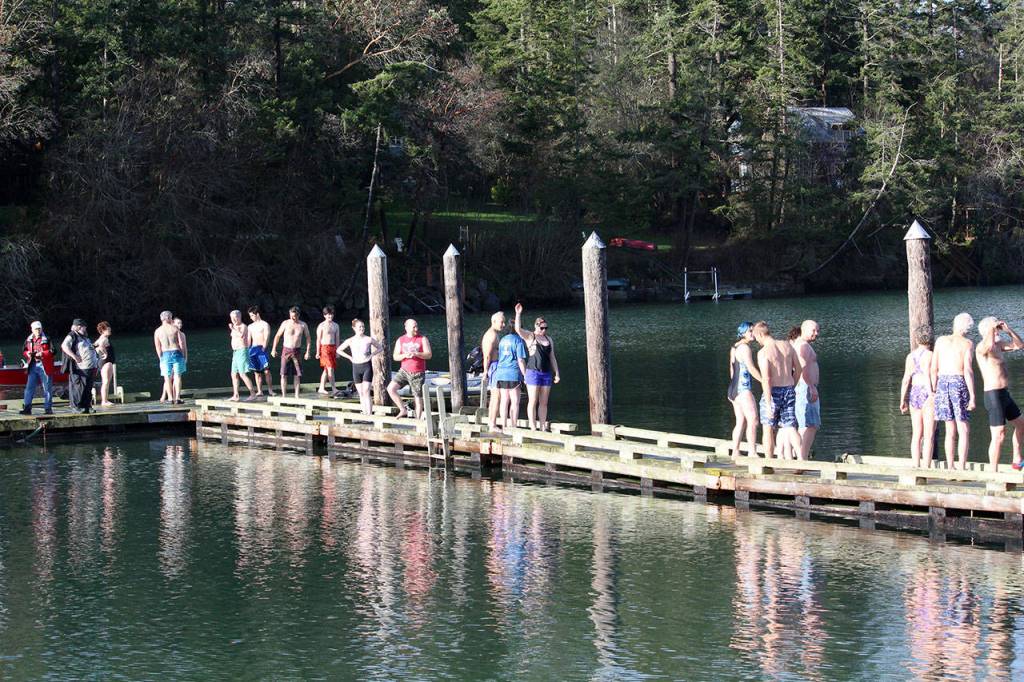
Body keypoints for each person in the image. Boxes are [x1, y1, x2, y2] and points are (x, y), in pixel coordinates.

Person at [975, 316, 1024, 471]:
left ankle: (1017, 458)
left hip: (1005, 394)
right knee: (999, 435)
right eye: (995, 329)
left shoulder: (999, 345)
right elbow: (987, 345)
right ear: (987, 331)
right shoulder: (981, 347)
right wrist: (991, 327)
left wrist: (1008, 330)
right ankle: (993, 471)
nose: (997, 331)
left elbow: (1019, 345)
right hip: (993, 395)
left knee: (1022, 424)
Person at [930, 312, 976, 469]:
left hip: (942, 383)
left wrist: (933, 389)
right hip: (958, 382)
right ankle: (961, 466)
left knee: (950, 429)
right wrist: (973, 396)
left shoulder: (941, 341)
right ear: (968, 328)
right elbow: (968, 371)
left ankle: (950, 466)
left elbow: (933, 368)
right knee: (963, 428)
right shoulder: (967, 344)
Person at [753, 321, 802, 459]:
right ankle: (801, 459)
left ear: (761, 334)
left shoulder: (763, 353)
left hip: (773, 392)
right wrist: (793, 385)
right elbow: (799, 369)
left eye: (756, 337)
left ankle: (769, 463)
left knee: (768, 428)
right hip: (789, 388)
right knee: (790, 427)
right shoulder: (787, 345)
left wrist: (768, 403)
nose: (757, 341)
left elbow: (767, 379)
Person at [513, 303, 560, 431]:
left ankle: (543, 426)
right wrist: (518, 314)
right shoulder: (530, 336)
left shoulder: (549, 339)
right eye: (541, 328)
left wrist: (557, 373)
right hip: (533, 372)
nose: (544, 330)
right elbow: (518, 329)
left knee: (543, 402)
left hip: (546, 373)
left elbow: (552, 357)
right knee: (533, 401)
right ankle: (533, 426)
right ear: (536, 326)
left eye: (546, 328)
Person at [899, 326, 936, 468]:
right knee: (928, 435)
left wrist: (903, 399)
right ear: (930, 339)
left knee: (916, 434)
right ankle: (926, 467)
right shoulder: (931, 356)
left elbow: (906, 379)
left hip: (914, 392)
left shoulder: (911, 356)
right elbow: (929, 375)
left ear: (916, 339)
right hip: (927, 393)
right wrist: (932, 393)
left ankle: (915, 464)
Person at [728, 322, 762, 458]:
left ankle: (735, 451)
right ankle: (752, 452)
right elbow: (751, 368)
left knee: (740, 421)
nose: (753, 333)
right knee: (753, 420)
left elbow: (732, 369)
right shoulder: (745, 348)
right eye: (750, 331)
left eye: (753, 330)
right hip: (743, 388)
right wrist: (764, 381)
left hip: (733, 389)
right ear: (742, 333)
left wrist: (733, 387)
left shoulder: (734, 347)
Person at [387, 319, 432, 419]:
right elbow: (395, 357)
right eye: (414, 327)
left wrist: (417, 354)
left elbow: (429, 355)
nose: (416, 329)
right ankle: (403, 409)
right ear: (407, 328)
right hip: (404, 371)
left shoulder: (422, 339)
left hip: (417, 372)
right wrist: (405, 355)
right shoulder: (401, 340)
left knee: (417, 397)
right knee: (391, 388)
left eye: (417, 326)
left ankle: (418, 419)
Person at [337, 318, 384, 415]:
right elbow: (339, 350)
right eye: (359, 327)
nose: (362, 328)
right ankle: (364, 412)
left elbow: (380, 347)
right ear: (354, 328)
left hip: (366, 365)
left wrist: (372, 354)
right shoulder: (350, 340)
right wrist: (349, 357)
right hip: (356, 367)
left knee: (366, 391)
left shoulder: (368, 339)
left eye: (363, 326)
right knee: (361, 392)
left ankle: (369, 414)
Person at [792, 320, 821, 459]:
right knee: (809, 424)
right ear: (804, 329)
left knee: (807, 424)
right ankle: (801, 458)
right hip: (806, 388)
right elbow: (802, 367)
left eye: (817, 331)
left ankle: (799, 456)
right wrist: (811, 386)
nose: (816, 333)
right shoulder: (803, 345)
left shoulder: (800, 344)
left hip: (806, 387)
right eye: (814, 330)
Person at [271, 306, 312, 398]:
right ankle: (284, 396)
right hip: (286, 350)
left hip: (297, 351)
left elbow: (308, 338)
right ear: (289, 314)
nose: (293, 318)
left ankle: (297, 395)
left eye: (295, 316)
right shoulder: (285, 323)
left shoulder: (303, 325)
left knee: (297, 374)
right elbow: (277, 336)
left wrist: (307, 351)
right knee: (283, 374)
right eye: (291, 316)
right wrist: (273, 349)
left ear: (299, 315)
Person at [493, 323, 527, 430]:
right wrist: (525, 375)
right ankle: (513, 426)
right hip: (513, 373)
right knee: (515, 401)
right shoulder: (518, 341)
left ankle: (504, 425)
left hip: (501, 372)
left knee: (504, 400)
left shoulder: (502, 340)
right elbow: (520, 360)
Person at [61, 319, 100, 413]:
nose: (85, 328)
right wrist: (74, 356)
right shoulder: (72, 335)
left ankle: (87, 406)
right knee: (78, 388)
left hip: (90, 366)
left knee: (88, 387)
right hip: (79, 367)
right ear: (79, 327)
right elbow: (64, 346)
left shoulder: (84, 336)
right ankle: (76, 407)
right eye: (84, 327)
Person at [20, 321, 55, 416]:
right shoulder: (28, 339)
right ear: (32, 330)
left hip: (44, 365)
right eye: (36, 329)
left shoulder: (47, 338)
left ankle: (48, 409)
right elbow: (24, 350)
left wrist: (42, 353)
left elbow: (53, 351)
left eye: (39, 328)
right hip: (32, 365)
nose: (38, 331)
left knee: (47, 388)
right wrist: (27, 354)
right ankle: (27, 408)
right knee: (29, 388)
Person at [154, 312, 187, 404]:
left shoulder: (157, 331)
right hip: (176, 352)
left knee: (167, 377)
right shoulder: (175, 329)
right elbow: (181, 343)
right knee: (177, 375)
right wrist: (183, 354)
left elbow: (157, 346)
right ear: (169, 318)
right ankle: (177, 397)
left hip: (165, 354)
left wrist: (160, 356)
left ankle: (170, 398)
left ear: (161, 319)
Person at [481, 312, 506, 431]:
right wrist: (485, 371)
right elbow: (487, 355)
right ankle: (492, 424)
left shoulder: (495, 334)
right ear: (494, 321)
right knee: (496, 396)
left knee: (495, 397)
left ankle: (492, 422)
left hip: (497, 366)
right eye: (502, 322)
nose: (503, 324)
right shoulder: (491, 335)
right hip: (494, 367)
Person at [228, 310, 257, 401]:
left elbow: (241, 336)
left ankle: (253, 394)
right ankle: (236, 395)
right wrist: (233, 329)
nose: (233, 319)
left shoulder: (243, 326)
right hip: (235, 352)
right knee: (233, 374)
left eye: (235, 317)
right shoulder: (235, 327)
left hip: (242, 351)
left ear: (239, 317)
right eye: (232, 318)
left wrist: (233, 329)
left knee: (242, 374)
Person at [247, 306, 273, 397]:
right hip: (253, 350)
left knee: (266, 370)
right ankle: (259, 391)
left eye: (252, 315)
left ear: (257, 314)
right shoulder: (250, 326)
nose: (250, 317)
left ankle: (270, 390)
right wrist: (247, 350)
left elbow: (267, 337)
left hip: (262, 349)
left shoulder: (265, 324)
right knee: (256, 372)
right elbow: (249, 340)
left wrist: (264, 348)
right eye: (250, 316)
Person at [316, 305, 341, 396]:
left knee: (327, 369)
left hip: (333, 347)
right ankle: (334, 388)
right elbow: (318, 339)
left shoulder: (336, 325)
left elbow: (337, 339)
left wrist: (338, 351)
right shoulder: (321, 326)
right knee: (330, 368)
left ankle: (321, 387)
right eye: (328, 315)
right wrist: (317, 352)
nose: (330, 316)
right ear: (324, 315)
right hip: (324, 348)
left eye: (331, 314)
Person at [95, 321, 117, 407]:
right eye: (108, 329)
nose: (110, 330)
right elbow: (99, 346)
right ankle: (104, 401)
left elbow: (93, 346)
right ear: (103, 330)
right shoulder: (104, 338)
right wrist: (104, 353)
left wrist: (99, 352)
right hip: (106, 362)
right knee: (106, 382)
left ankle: (105, 400)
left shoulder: (100, 338)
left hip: (103, 362)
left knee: (105, 382)